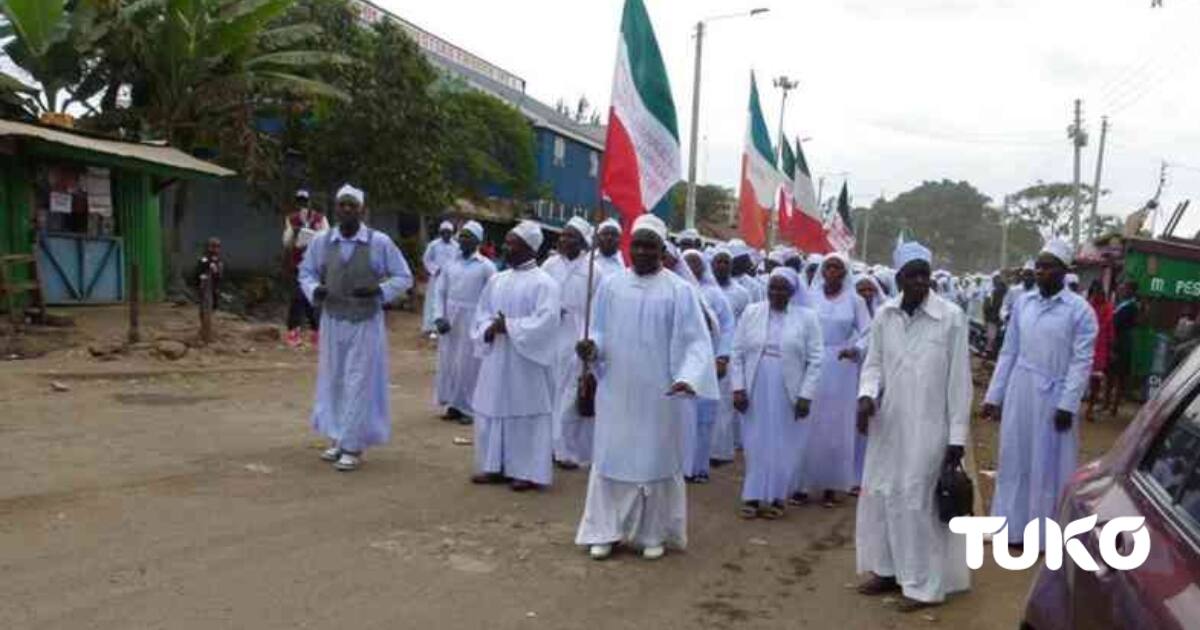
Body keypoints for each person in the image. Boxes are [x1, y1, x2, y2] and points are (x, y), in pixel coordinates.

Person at [575, 214, 718, 561]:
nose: (641, 251)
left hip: (658, 393)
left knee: (654, 460)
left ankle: (652, 532)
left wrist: (687, 376)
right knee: (611, 457)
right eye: (636, 244)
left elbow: (696, 343)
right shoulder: (611, 285)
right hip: (616, 388)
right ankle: (604, 530)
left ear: (661, 249)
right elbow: (600, 330)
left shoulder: (679, 291)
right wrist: (591, 347)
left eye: (649, 245)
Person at [854, 241, 972, 613]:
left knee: (919, 502)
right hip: (889, 424)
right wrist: (867, 396)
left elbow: (959, 381)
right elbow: (873, 365)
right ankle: (887, 570)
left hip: (929, 427)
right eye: (913, 275)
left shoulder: (950, 317)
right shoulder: (885, 315)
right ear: (899, 278)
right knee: (884, 494)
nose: (921, 281)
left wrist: (956, 437)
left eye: (925, 274)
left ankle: (924, 586)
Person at [983, 238, 1097, 550]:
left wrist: (1068, 403)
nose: (1041, 271)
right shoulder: (1024, 303)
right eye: (1039, 265)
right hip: (1021, 390)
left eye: (1048, 267)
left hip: (1055, 396)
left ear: (1064, 271)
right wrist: (994, 396)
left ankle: (1047, 537)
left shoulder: (1080, 311)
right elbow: (1009, 351)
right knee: (1015, 459)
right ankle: (1012, 529)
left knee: (1050, 464)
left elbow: (1081, 361)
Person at [298, 184, 413, 472]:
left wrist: (379, 290)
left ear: (362, 210)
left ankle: (353, 445)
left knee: (358, 380)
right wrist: (315, 289)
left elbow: (404, 276)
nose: (346, 210)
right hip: (333, 318)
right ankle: (337, 437)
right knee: (334, 379)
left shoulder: (379, 242)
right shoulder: (322, 241)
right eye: (342, 205)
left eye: (352, 206)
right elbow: (306, 272)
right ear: (335, 209)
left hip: (365, 321)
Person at [470, 221, 562, 491]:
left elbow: (546, 322)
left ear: (530, 248)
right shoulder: (497, 280)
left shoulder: (545, 283)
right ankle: (494, 466)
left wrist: (508, 326)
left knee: (526, 412)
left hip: (527, 363)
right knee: (493, 407)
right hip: (497, 359)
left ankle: (528, 471)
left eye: (512, 243)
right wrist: (489, 328)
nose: (505, 247)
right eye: (507, 242)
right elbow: (482, 313)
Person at [731, 267, 823, 519]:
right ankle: (752, 495)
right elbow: (737, 353)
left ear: (793, 291)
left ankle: (776, 498)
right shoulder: (752, 312)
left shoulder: (807, 318)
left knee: (783, 443)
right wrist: (738, 388)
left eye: (783, 288)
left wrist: (806, 394)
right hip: (756, 381)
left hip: (789, 387)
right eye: (773, 287)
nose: (777, 292)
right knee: (755, 441)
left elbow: (816, 359)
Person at [799, 252, 871, 507]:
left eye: (837, 267)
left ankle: (831, 486)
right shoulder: (810, 296)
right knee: (808, 423)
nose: (832, 271)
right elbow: (798, 325)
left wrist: (856, 349)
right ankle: (802, 484)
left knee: (835, 427)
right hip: (812, 361)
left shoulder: (855, 301)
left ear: (844, 272)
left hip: (842, 366)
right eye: (828, 266)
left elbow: (868, 332)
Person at [542, 216, 598, 470]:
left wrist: (591, 339)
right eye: (563, 235)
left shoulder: (593, 270)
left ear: (583, 242)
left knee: (570, 395)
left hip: (576, 336)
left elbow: (599, 309)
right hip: (549, 334)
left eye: (572, 236)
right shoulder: (550, 265)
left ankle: (565, 449)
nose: (565, 240)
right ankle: (545, 445)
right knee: (548, 390)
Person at [431, 221, 497, 425]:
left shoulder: (486, 266)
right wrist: (439, 316)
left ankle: (469, 408)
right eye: (462, 235)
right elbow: (440, 291)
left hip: (473, 317)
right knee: (448, 361)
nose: (464, 239)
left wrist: (486, 323)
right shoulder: (450, 263)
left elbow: (492, 297)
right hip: (450, 318)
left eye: (469, 236)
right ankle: (453, 404)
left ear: (478, 240)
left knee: (469, 364)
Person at [682, 248, 736, 484]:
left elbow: (727, 327)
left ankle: (698, 467)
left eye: (696, 263)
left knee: (702, 417)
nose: (692, 267)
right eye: (687, 263)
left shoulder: (714, 295)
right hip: (679, 360)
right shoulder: (677, 289)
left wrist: (722, 357)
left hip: (706, 360)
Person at [709, 246, 752, 466]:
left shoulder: (742, 294)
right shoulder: (703, 289)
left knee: (724, 403)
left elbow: (747, 324)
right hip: (706, 350)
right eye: (719, 261)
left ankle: (719, 451)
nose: (722, 266)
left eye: (726, 262)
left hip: (730, 352)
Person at [283, 189, 328, 347]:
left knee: (312, 298)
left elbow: (326, 239)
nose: (302, 204)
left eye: (304, 201)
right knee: (297, 297)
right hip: (298, 263)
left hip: (315, 265)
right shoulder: (292, 219)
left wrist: (313, 237)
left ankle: (316, 332)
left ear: (309, 202)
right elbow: (287, 242)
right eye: (299, 201)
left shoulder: (320, 219)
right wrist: (296, 236)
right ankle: (293, 332)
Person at [1107, 280, 1139, 416]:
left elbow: (1118, 323)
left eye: (1124, 288)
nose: (1121, 290)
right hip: (1116, 339)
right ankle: (1106, 402)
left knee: (1119, 374)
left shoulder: (1131, 306)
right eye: (1121, 288)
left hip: (1122, 342)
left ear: (1131, 291)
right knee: (1110, 372)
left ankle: (1114, 405)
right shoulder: (1121, 304)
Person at [422, 221, 459, 335]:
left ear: (452, 233)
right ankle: (431, 327)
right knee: (433, 301)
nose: (447, 235)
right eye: (444, 232)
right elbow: (426, 259)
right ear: (440, 233)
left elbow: (459, 261)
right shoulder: (433, 245)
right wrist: (434, 269)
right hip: (436, 277)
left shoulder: (457, 246)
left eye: (449, 233)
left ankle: (446, 326)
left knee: (448, 301)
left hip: (451, 279)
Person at [1084, 281, 1114, 423]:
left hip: (1100, 347)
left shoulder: (1107, 308)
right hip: (1085, 346)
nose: (1098, 296)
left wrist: (1111, 347)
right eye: (1095, 294)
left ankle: (1090, 408)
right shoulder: (1085, 307)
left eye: (1100, 294)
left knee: (1095, 380)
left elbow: (1109, 329)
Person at [982, 274, 1008, 359]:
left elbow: (989, 305)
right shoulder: (1006, 290)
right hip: (1001, 315)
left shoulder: (994, 291)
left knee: (991, 335)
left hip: (994, 315)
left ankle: (989, 351)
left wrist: (987, 315)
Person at [195, 237, 224, 310]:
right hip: (205, 280)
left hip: (214, 281)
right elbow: (201, 264)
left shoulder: (218, 259)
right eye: (213, 246)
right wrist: (208, 264)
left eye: (217, 246)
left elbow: (219, 271)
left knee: (215, 293)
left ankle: (214, 306)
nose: (215, 249)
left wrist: (216, 269)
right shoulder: (205, 257)